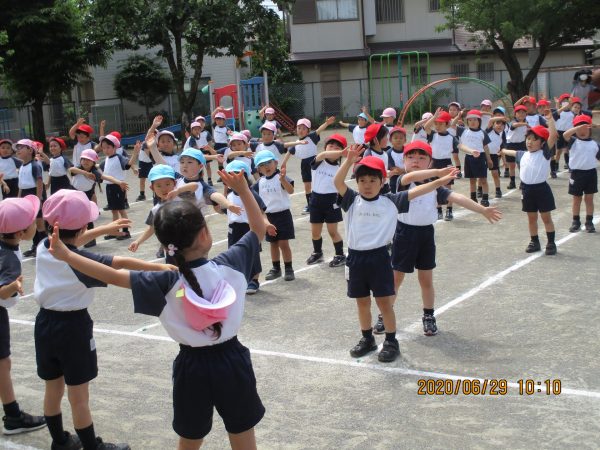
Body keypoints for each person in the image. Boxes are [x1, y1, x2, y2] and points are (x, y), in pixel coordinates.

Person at [47, 171, 267, 450]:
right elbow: (257, 230)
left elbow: (114, 275)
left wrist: (68, 255)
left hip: (192, 366)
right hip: (232, 361)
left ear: (164, 246)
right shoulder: (231, 264)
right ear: (205, 233)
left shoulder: (164, 282)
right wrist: (244, 191)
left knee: (189, 437)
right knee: (242, 432)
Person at [36, 189, 168, 450]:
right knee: (79, 395)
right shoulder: (81, 261)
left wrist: (104, 228)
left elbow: (72, 240)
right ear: (85, 223)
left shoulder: (45, 245)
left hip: (44, 324)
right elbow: (118, 263)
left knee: (53, 387)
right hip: (73, 327)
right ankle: (91, 446)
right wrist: (159, 266)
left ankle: (60, 441)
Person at [334, 147, 460, 362]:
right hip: (355, 259)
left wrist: (440, 179)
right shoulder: (352, 200)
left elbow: (418, 191)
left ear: (383, 181)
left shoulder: (392, 201)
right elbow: (337, 183)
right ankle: (367, 338)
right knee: (362, 302)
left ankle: (391, 341)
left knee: (384, 303)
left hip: (380, 259)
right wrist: (348, 162)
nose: (367, 185)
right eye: (362, 180)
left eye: (373, 180)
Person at [390, 141, 502, 336]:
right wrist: (438, 173)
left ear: (429, 161)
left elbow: (456, 197)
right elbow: (413, 176)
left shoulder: (436, 188)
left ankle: (428, 316)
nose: (416, 161)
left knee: (426, 279)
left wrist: (482, 209)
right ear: (404, 160)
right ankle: (385, 314)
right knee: (395, 279)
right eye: (411, 157)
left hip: (425, 234)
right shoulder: (402, 180)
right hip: (403, 234)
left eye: (422, 158)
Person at [0, 196, 47, 436]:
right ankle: (13, 415)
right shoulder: (9, 258)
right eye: (32, 221)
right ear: (20, 232)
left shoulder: (7, 248)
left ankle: (12, 412)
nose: (36, 223)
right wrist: (12, 287)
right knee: (2, 364)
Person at [500, 116, 559, 255]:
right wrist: (502, 151)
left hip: (541, 189)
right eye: (528, 139)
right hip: (527, 190)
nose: (529, 142)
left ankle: (551, 243)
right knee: (531, 218)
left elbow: (554, 135)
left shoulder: (545, 153)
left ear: (543, 143)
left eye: (534, 139)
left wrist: (550, 120)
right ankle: (534, 241)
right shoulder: (523, 154)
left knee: (546, 218)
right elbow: (512, 152)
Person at [223, 160, 270, 295]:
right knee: (233, 253)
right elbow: (222, 209)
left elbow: (261, 212)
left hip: (249, 227)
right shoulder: (229, 195)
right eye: (231, 176)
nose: (234, 179)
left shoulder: (251, 194)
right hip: (233, 228)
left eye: (238, 175)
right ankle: (237, 279)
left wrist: (267, 224)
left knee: (252, 253)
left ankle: (254, 280)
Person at [304, 134, 347, 268]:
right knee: (315, 232)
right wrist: (341, 152)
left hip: (331, 201)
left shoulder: (339, 168)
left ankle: (340, 254)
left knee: (332, 231)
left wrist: (340, 201)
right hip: (316, 199)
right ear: (325, 148)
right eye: (331, 146)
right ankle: (317, 252)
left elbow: (341, 185)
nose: (333, 149)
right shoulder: (318, 162)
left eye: (338, 147)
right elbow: (322, 155)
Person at [253, 150, 295, 282]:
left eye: (269, 163)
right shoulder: (259, 182)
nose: (266, 167)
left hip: (283, 215)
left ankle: (289, 268)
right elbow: (251, 195)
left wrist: (283, 180)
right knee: (273, 244)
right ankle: (276, 268)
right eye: (262, 165)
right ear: (258, 169)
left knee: (283, 243)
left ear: (276, 163)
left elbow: (291, 190)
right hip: (269, 217)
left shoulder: (281, 177)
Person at [281, 116, 335, 214]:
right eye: (299, 128)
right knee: (307, 186)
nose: (301, 130)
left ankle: (323, 200)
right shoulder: (296, 143)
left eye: (304, 128)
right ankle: (310, 205)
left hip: (315, 162)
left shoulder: (311, 137)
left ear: (308, 130)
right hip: (304, 164)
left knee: (317, 183)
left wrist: (326, 123)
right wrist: (284, 163)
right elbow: (289, 152)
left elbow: (319, 130)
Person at [562, 114, 599, 233]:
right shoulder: (573, 141)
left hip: (591, 174)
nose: (582, 130)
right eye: (579, 127)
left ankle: (589, 221)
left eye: (585, 127)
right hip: (577, 174)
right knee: (576, 199)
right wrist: (576, 128)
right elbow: (565, 135)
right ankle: (575, 220)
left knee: (589, 198)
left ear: (589, 128)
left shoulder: (595, 144)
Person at [423, 109, 458, 221]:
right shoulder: (433, 135)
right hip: (434, 163)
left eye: (440, 123)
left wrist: (471, 151)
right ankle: (438, 210)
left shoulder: (451, 138)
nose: (437, 126)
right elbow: (426, 127)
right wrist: (434, 117)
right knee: (435, 187)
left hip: (446, 163)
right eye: (436, 123)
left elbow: (461, 146)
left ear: (447, 125)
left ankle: (449, 210)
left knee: (448, 188)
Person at [15, 139, 46, 258]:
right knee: (30, 224)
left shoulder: (35, 165)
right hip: (25, 195)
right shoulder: (22, 166)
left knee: (39, 224)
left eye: (21, 147)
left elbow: (39, 182)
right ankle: (35, 246)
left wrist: (38, 199)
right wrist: (19, 199)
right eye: (17, 148)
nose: (17, 150)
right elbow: (21, 185)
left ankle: (43, 247)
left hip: (34, 195)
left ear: (30, 150)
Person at [457, 109, 493, 207]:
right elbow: (451, 124)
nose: (472, 122)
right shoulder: (463, 131)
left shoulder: (482, 133)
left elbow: (486, 147)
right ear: (467, 121)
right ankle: (473, 198)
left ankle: (485, 198)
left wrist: (489, 159)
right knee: (472, 180)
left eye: (475, 120)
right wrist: (458, 115)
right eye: (470, 120)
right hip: (469, 157)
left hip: (480, 158)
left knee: (483, 179)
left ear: (479, 121)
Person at [99, 135, 132, 241]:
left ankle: (126, 231)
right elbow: (98, 169)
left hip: (118, 186)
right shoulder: (106, 160)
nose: (106, 150)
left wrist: (135, 153)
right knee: (113, 211)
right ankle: (115, 231)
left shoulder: (119, 157)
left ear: (114, 147)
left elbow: (128, 165)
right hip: (109, 187)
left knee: (121, 210)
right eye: (104, 148)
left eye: (108, 147)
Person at [505, 105, 529, 189]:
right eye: (519, 113)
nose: (521, 114)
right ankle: (512, 182)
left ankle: (523, 182)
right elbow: (515, 125)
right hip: (511, 144)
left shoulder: (527, 123)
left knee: (521, 165)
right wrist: (525, 124)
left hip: (521, 144)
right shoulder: (513, 122)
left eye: (523, 112)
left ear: (526, 114)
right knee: (512, 165)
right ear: (515, 114)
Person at [551, 93, 574, 178]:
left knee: (568, 149)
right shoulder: (559, 111)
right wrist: (557, 103)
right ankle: (556, 164)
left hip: (568, 131)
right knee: (558, 150)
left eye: (567, 100)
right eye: (564, 100)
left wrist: (571, 103)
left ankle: (568, 164)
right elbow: (557, 111)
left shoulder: (572, 112)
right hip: (560, 132)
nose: (566, 102)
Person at [485, 115, 507, 198]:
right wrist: (501, 118)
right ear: (493, 125)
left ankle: (498, 190)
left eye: (502, 124)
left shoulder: (502, 136)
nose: (499, 125)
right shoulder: (489, 131)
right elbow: (490, 120)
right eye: (497, 123)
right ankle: (480, 189)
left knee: (495, 173)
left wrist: (505, 162)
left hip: (494, 156)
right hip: (484, 154)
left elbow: (502, 150)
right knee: (482, 175)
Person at [387, 126, 407, 194]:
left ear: (405, 140)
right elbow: (394, 169)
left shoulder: (408, 151)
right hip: (394, 181)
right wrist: (406, 170)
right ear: (390, 140)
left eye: (401, 138)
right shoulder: (389, 153)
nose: (398, 140)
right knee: (395, 198)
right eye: (395, 138)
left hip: (408, 179)